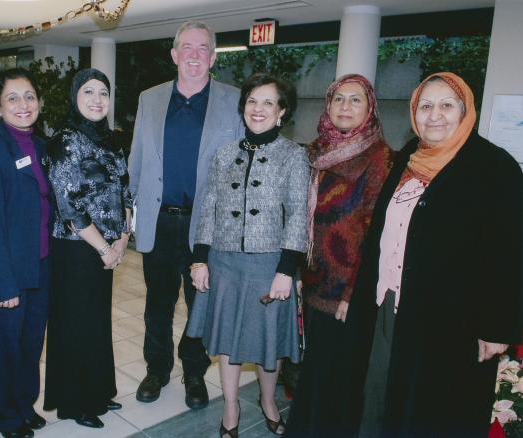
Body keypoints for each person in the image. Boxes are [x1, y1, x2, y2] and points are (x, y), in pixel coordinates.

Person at [340, 72, 523, 437]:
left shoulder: (494, 167)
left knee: (439, 408)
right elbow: (380, 232)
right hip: (392, 305)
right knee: (381, 394)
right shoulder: (409, 155)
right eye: (425, 106)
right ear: (414, 112)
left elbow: (511, 253)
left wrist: (498, 327)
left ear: (465, 109)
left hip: (455, 321)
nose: (434, 115)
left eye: (446, 105)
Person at [128, 20, 244, 409]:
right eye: (187, 48)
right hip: (159, 220)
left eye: (203, 49)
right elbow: (138, 159)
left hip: (207, 227)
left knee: (201, 305)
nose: (194, 55)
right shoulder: (150, 98)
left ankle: (194, 373)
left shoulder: (235, 100)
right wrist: (128, 210)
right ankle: (156, 369)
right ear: (175, 55)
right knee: (157, 303)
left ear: (213, 57)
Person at [187, 72, 310, 438]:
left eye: (268, 102)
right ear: (243, 108)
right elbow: (208, 208)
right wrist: (199, 259)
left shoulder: (294, 155)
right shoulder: (224, 154)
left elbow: (299, 215)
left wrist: (287, 270)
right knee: (228, 340)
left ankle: (268, 400)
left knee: (267, 342)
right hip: (224, 263)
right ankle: (230, 405)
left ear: (281, 111)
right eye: (253, 101)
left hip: (269, 266)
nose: (259, 109)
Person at [283, 74, 392, 437]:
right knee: (315, 365)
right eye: (339, 99)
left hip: (347, 289)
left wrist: (351, 293)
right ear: (328, 105)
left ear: (370, 108)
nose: (346, 106)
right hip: (313, 279)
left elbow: (375, 233)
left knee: (339, 373)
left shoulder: (378, 158)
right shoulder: (316, 152)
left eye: (356, 100)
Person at [43, 68, 130, 429]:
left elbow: (126, 190)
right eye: (89, 92)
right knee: (76, 323)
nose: (97, 100)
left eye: (103, 93)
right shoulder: (65, 139)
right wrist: (104, 249)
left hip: (108, 246)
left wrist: (123, 237)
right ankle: (75, 402)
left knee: (97, 322)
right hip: (77, 249)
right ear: (75, 98)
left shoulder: (111, 140)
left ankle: (97, 391)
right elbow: (68, 206)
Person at [0, 68, 51, 438]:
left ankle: (24, 405)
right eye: (13, 98)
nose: (23, 105)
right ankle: (4, 418)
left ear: (39, 103)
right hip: (4, 274)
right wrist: (3, 286)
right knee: (2, 349)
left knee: (31, 344)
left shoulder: (44, 147)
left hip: (40, 265)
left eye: (29, 96)